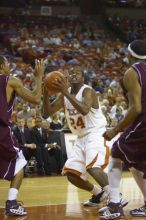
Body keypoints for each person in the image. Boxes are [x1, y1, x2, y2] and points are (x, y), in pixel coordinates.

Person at [43, 65, 113, 206]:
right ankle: (98, 193)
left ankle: (116, 198)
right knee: (71, 174)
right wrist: (46, 91)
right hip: (81, 138)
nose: (74, 74)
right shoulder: (65, 94)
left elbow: (84, 110)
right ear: (67, 76)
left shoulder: (88, 91)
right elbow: (48, 112)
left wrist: (64, 92)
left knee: (93, 167)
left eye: (78, 73)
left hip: (96, 133)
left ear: (83, 78)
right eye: (72, 72)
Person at [99, 39, 146, 219]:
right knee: (135, 164)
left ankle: (114, 205)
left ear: (129, 54)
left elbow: (136, 108)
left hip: (142, 123)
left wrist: (115, 129)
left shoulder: (132, 72)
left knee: (116, 154)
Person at [0, 56, 44, 216]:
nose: (8, 67)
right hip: (1, 131)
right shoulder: (9, 80)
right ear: (1, 66)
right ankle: (11, 203)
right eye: (6, 64)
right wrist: (38, 77)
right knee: (19, 163)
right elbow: (36, 98)